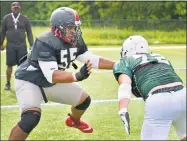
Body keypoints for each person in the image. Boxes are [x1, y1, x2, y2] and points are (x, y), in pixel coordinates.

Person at [8, 7, 115, 140]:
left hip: (50, 82)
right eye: (70, 28)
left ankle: (74, 121)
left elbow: (92, 59)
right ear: (57, 28)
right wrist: (76, 76)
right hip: (30, 81)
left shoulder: (76, 40)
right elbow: (51, 75)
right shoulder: (45, 41)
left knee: (83, 101)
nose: (74, 31)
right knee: (31, 118)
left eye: (75, 28)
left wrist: (117, 65)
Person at [113, 35, 186, 140]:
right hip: (183, 93)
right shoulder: (160, 57)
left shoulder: (125, 61)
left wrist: (123, 109)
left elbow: (125, 84)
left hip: (159, 100)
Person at [0, 1, 34, 90]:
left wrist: (31, 44)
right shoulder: (6, 18)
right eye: (14, 5)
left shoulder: (25, 18)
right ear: (11, 7)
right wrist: (1, 44)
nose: (16, 6)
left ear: (20, 7)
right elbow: (3, 32)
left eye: (17, 5)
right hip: (10, 45)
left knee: (23, 66)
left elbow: (29, 32)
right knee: (9, 65)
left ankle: (22, 84)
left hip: (22, 45)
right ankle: (8, 83)